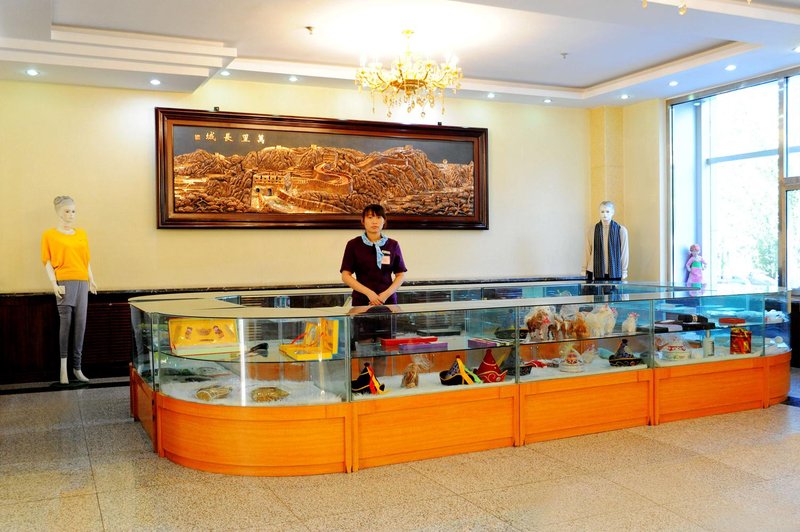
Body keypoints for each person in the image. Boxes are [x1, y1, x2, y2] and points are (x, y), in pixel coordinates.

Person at [42, 196, 97, 384]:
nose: (71, 215)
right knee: (65, 326)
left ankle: (77, 367)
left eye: (73, 211)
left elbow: (85, 260)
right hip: (64, 282)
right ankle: (63, 369)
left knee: (81, 325)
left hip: (82, 281)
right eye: (67, 211)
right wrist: (53, 284)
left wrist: (91, 279)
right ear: (58, 212)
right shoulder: (49, 235)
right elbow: (47, 262)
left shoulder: (81, 234)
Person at [340, 204, 407, 306]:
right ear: (363, 221)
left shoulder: (393, 244)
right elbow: (345, 276)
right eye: (370, 217)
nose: (374, 221)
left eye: (378, 217)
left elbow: (400, 275)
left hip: (388, 300)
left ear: (384, 221)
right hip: (362, 300)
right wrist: (369, 293)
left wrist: (385, 295)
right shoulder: (353, 244)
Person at [584, 200, 629, 281]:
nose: (605, 214)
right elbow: (587, 251)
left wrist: (624, 270)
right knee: (595, 290)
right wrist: (584, 268)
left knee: (614, 290)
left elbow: (624, 252)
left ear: (612, 212)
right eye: (602, 211)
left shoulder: (621, 230)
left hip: (614, 271)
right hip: (594, 270)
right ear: (599, 212)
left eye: (607, 211)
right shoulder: (592, 230)